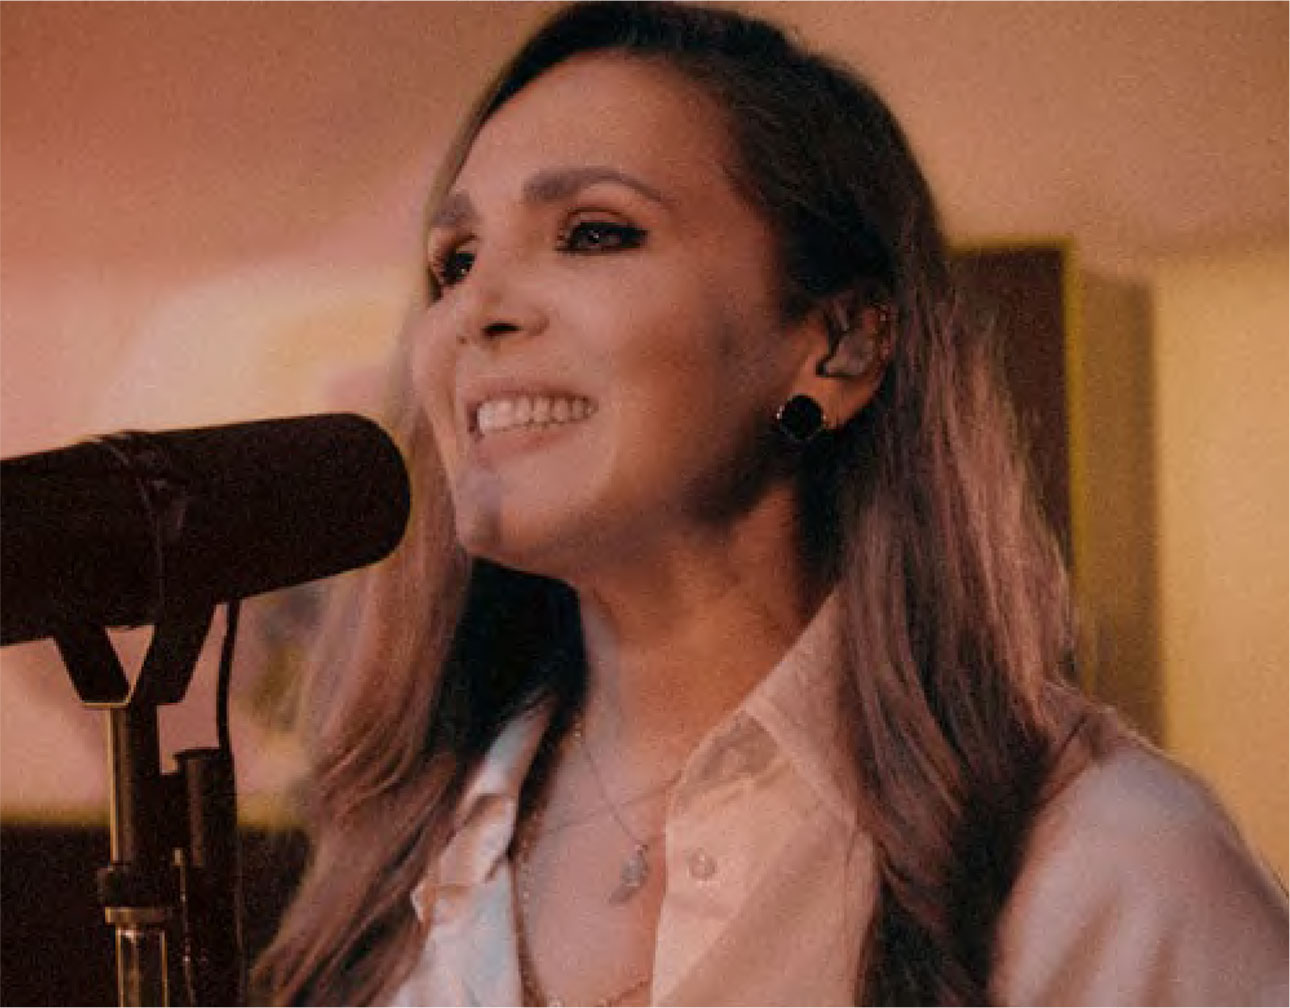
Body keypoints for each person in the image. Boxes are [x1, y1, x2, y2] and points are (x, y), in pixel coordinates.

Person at [253, 3, 1288, 1004]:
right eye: (455, 262)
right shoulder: (395, 867)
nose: (476, 310)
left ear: (840, 345)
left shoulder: (1106, 872)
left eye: (595, 233)